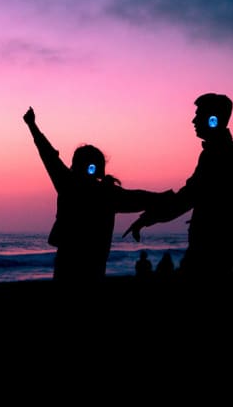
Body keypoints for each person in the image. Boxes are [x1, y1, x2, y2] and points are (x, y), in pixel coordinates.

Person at [23, 106, 173, 285]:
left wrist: (32, 125)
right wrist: (32, 126)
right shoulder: (84, 188)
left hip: (80, 264)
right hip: (83, 264)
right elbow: (48, 155)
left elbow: (140, 198)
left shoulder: (95, 190)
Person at [124, 93, 233, 281]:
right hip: (220, 243)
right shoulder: (221, 151)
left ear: (212, 120)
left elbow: (189, 196)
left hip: (213, 245)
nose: (193, 120)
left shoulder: (220, 154)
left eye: (199, 115)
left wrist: (149, 217)